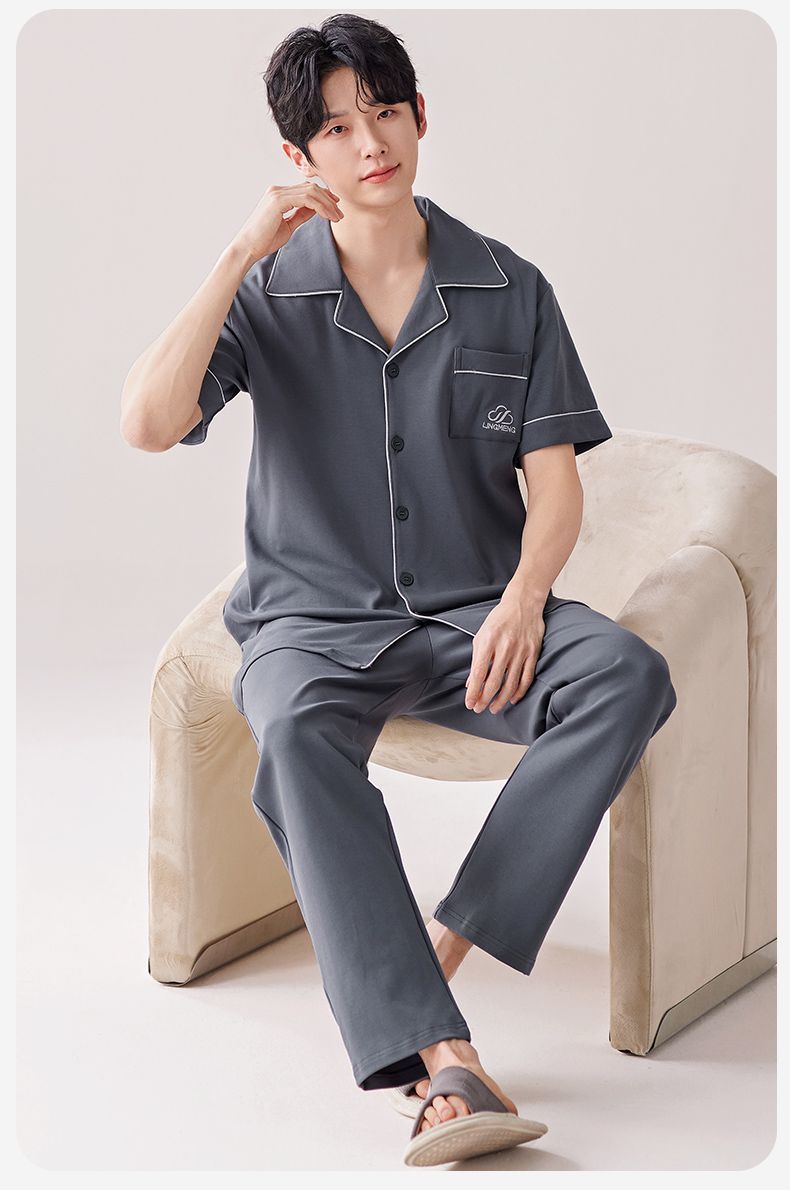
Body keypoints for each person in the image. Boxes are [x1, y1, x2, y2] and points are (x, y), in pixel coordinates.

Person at [121, 12, 677, 1165]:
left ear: (421, 115)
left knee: (626, 672)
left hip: (476, 611)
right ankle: (444, 1059)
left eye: (383, 111)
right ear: (298, 158)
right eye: (334, 128)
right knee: (292, 733)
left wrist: (525, 596)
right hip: (311, 622)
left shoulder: (508, 286)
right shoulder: (267, 290)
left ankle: (436, 948)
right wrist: (236, 254)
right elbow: (148, 422)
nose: (369, 142)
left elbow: (556, 487)